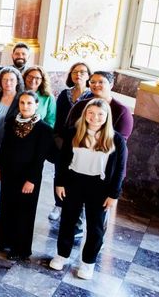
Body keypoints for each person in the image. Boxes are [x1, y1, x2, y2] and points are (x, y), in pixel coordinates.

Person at [49, 99, 128, 280]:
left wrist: (114, 194)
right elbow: (62, 161)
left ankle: (87, 262)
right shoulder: (73, 133)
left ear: (107, 117)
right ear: (85, 114)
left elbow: (119, 170)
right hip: (74, 182)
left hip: (99, 186)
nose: (95, 117)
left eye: (100, 114)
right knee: (68, 221)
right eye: (91, 113)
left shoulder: (116, 139)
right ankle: (62, 255)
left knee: (95, 227)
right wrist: (59, 183)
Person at [0, 91, 54, 261]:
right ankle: (4, 241)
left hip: (28, 177)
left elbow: (39, 158)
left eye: (29, 103)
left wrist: (31, 180)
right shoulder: (12, 122)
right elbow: (5, 146)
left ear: (36, 105)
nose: (25, 106)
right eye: (22, 103)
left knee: (24, 212)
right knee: (6, 206)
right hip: (9, 172)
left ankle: (20, 248)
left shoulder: (43, 129)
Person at [49, 61, 91, 222]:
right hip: (63, 140)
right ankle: (58, 204)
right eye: (75, 72)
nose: (78, 74)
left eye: (82, 72)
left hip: (82, 143)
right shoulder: (64, 94)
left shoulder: (91, 96)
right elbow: (58, 119)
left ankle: (75, 207)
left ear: (88, 76)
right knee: (59, 172)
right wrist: (58, 139)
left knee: (78, 175)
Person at [0, 67, 24, 221]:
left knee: (3, 177)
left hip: (9, 144)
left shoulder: (21, 99)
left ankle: (6, 210)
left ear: (17, 82)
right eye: (5, 79)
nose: (8, 83)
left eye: (12, 80)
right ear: (0, 81)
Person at [65, 71, 133, 141]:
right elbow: (69, 130)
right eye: (93, 82)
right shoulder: (80, 105)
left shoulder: (122, 111)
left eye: (101, 82)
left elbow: (120, 141)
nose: (96, 85)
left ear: (111, 85)